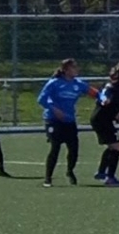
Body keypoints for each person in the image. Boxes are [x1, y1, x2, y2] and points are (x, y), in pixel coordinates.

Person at [37, 58, 94, 187]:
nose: (76, 69)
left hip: (69, 121)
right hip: (53, 120)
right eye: (74, 67)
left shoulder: (78, 84)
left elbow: (94, 92)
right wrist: (54, 109)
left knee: (74, 149)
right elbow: (41, 99)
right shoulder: (54, 83)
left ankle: (70, 171)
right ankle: (48, 178)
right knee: (55, 147)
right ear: (66, 70)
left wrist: (103, 98)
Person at [90, 62, 119, 186]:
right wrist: (104, 99)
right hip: (101, 119)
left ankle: (101, 172)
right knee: (117, 147)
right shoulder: (114, 86)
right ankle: (110, 178)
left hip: (103, 119)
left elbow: (115, 107)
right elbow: (104, 95)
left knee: (112, 147)